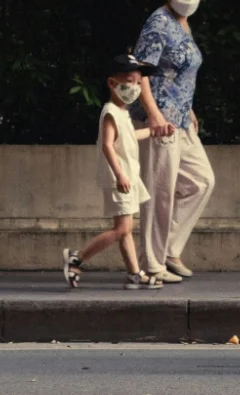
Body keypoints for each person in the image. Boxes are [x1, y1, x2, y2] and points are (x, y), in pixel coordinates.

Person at [131, 0, 215, 284]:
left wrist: (189, 108)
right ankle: (152, 265)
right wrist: (154, 115)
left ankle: (168, 249)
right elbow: (141, 72)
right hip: (160, 121)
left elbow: (181, 74)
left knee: (202, 181)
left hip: (181, 119)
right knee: (160, 192)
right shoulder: (158, 23)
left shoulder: (184, 24)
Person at [61, 54, 165, 290]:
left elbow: (127, 138)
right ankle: (77, 259)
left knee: (126, 230)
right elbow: (108, 145)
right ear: (112, 83)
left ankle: (134, 274)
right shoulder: (110, 112)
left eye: (139, 83)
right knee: (121, 229)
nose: (136, 88)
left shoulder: (122, 113)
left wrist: (152, 131)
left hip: (127, 178)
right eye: (130, 81)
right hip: (121, 179)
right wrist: (120, 175)